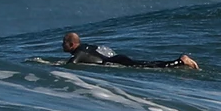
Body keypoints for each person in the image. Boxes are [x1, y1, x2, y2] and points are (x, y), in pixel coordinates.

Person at [60, 31, 199, 70]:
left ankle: (180, 61)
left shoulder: (79, 53)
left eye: (64, 43)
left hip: (114, 62)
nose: (62, 46)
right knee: (146, 64)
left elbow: (71, 65)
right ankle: (179, 62)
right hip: (116, 58)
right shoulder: (86, 47)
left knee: (148, 66)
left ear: (72, 44)